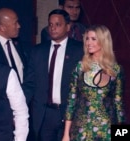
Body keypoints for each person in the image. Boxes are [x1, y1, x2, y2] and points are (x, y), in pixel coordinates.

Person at [62, 25, 125, 141]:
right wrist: (66, 134)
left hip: (107, 131)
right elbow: (71, 101)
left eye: (93, 39)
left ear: (103, 41)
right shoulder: (79, 67)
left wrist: (123, 136)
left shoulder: (116, 70)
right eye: (87, 38)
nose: (88, 42)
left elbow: (119, 105)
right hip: (82, 131)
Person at [28, 9, 83, 141]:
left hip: (70, 113)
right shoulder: (37, 51)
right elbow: (29, 83)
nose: (53, 28)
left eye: (57, 24)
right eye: (50, 24)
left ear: (67, 27)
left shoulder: (79, 50)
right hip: (45, 114)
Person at [0, 8, 35, 104]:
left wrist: (24, 98)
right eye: (15, 23)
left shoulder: (21, 45)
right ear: (3, 27)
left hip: (23, 105)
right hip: (0, 108)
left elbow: (29, 75)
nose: (19, 26)